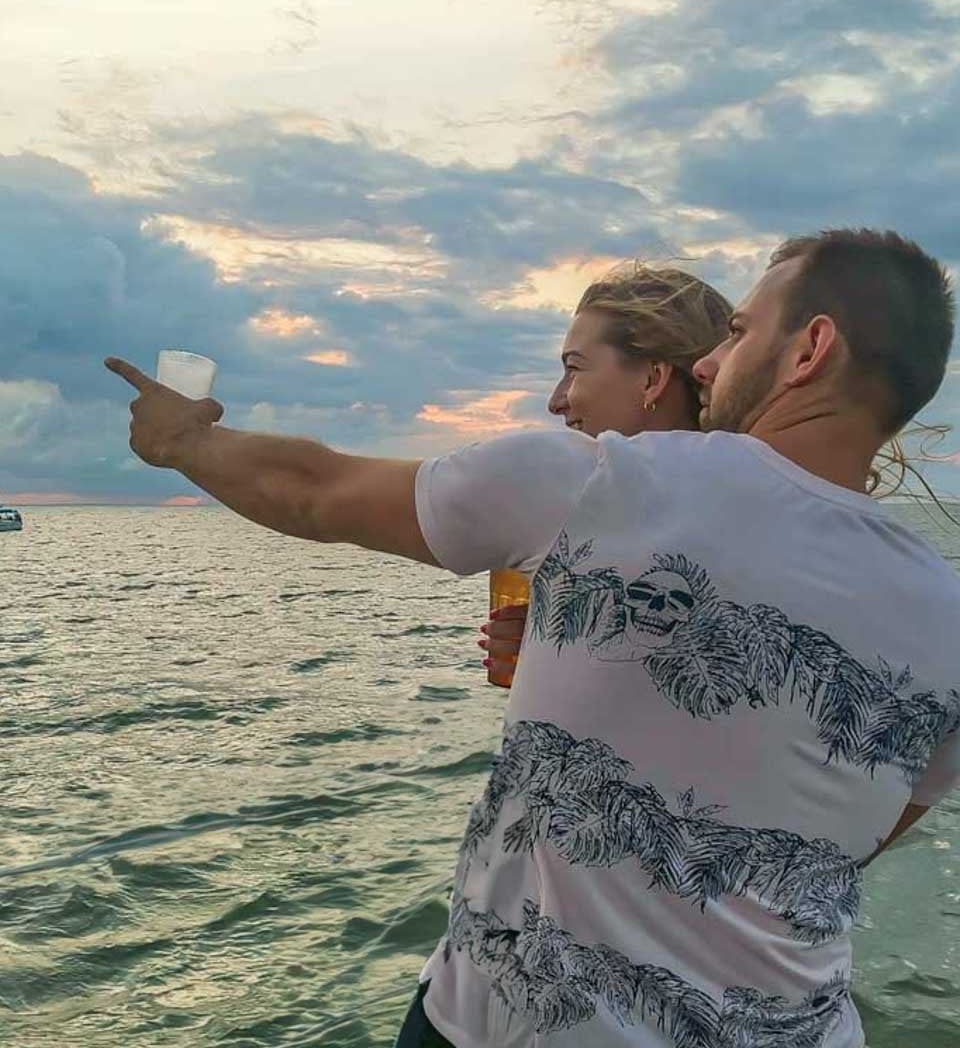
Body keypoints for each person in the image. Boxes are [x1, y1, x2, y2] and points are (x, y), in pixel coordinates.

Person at [106, 228, 960, 1048]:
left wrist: (185, 443)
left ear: (810, 350)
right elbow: (846, 841)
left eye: (737, 334)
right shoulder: (946, 613)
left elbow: (314, 491)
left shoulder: (605, 483)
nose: (709, 363)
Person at [481, 263, 733, 686]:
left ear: (652, 379)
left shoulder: (570, 501)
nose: (556, 402)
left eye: (574, 369)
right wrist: (564, 654)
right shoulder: (755, 502)